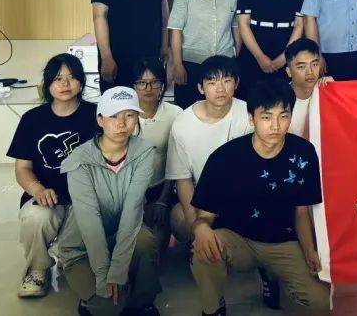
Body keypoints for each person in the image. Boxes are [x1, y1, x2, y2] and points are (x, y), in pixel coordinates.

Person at [190, 81, 332, 314]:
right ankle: (213, 307)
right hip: (238, 238)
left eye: (283, 116)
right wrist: (201, 228)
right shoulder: (225, 157)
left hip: (283, 241)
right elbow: (204, 217)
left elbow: (301, 211)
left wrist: (309, 250)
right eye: (266, 117)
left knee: (321, 303)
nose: (275, 126)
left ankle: (276, 281)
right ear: (251, 118)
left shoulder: (303, 152)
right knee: (203, 246)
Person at [57, 86, 160, 316]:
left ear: (137, 118)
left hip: (122, 234)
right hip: (82, 247)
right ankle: (89, 297)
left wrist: (118, 270)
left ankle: (142, 301)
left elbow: (133, 208)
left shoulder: (144, 152)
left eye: (129, 115)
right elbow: (89, 221)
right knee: (109, 306)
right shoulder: (79, 160)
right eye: (113, 116)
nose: (121, 124)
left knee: (144, 241)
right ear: (100, 120)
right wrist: (105, 274)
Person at [7, 53, 97, 298]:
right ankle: (37, 268)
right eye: (58, 78)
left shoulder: (96, 115)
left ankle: (75, 260)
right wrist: (37, 189)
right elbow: (22, 168)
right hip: (47, 196)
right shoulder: (32, 120)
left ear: (81, 82)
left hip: (86, 196)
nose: (65, 84)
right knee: (36, 217)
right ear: (48, 84)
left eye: (71, 77)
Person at [166, 56, 252, 243]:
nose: (220, 89)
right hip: (201, 198)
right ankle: (194, 247)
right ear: (200, 88)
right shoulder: (183, 123)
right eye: (212, 82)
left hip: (240, 194)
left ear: (236, 83)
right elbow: (183, 179)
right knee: (179, 217)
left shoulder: (249, 115)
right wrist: (196, 227)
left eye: (227, 80)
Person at [169, 0, 240, 108]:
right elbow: (176, 30)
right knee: (189, 110)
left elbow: (237, 28)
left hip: (224, 65)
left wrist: (237, 60)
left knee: (223, 110)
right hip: (192, 64)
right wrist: (177, 64)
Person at [130, 57, 182, 256]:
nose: (148, 88)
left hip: (161, 187)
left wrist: (163, 199)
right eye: (141, 83)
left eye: (154, 82)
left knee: (157, 248)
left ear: (162, 84)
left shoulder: (175, 114)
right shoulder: (123, 115)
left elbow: (176, 161)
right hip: (130, 190)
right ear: (133, 86)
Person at [285, 38, 331, 137]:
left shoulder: (325, 91)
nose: (310, 72)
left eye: (314, 64)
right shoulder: (280, 99)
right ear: (289, 71)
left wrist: (335, 91)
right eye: (301, 67)